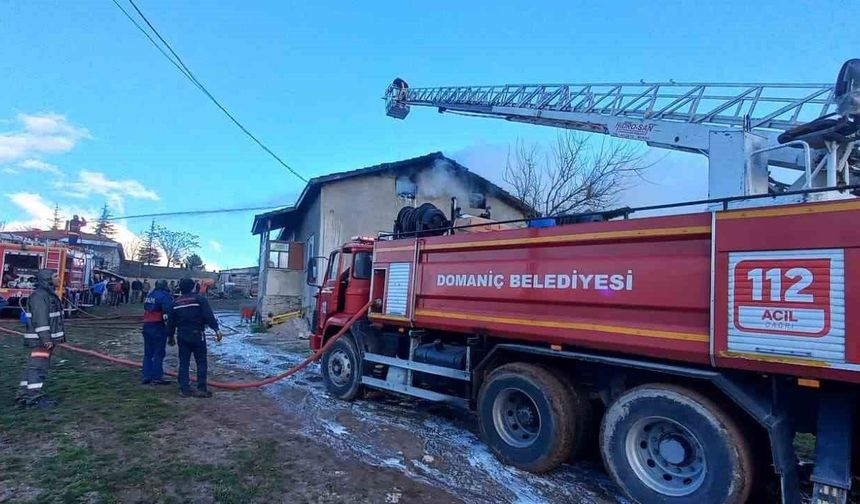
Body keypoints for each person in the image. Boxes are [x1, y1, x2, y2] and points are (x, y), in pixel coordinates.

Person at [16, 269, 65, 407]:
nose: (59, 278)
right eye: (55, 276)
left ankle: (23, 396)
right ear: (47, 279)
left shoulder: (47, 295)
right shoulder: (40, 296)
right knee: (38, 368)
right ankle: (34, 398)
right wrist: (46, 339)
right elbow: (41, 320)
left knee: (32, 368)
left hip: (41, 340)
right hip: (40, 341)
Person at [167, 278, 223, 398]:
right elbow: (208, 315)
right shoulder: (199, 299)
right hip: (197, 334)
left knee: (184, 362)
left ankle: (184, 389)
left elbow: (171, 322)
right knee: (201, 362)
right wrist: (216, 329)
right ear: (193, 287)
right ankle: (201, 389)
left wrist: (170, 336)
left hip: (182, 335)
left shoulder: (175, 303)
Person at [141, 280, 173, 385]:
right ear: (164, 286)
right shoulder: (165, 296)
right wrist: (170, 331)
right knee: (159, 352)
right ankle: (157, 376)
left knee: (148, 353)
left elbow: (146, 307)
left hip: (147, 326)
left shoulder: (150, 294)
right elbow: (167, 314)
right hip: (158, 326)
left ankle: (146, 375)